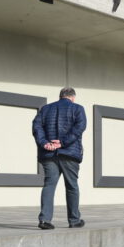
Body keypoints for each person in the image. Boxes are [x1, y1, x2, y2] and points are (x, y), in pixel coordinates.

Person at [33, 87, 87, 229]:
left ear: (60, 96)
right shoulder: (78, 109)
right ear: (72, 97)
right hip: (69, 153)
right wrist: (62, 143)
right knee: (72, 186)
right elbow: (79, 128)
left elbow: (36, 127)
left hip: (49, 153)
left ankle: (44, 220)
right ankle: (74, 220)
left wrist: (45, 143)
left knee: (49, 185)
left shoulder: (45, 109)